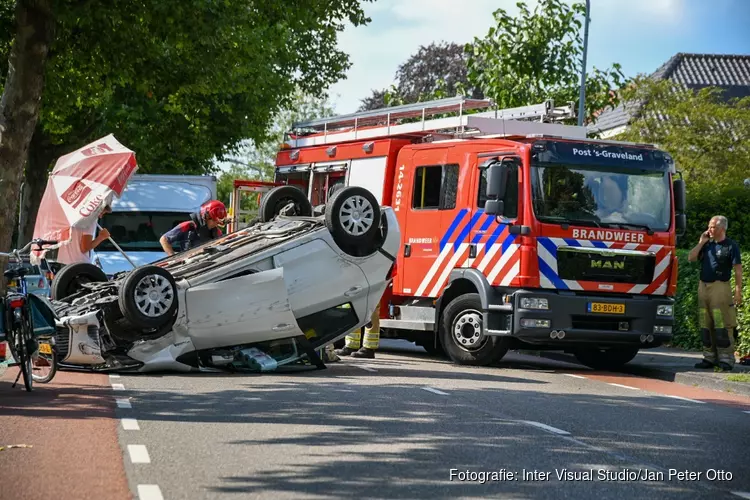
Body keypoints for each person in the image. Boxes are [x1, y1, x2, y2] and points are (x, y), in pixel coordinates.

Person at [688, 215, 743, 371]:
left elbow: (738, 270)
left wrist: (738, 290)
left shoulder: (731, 246)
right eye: (709, 226)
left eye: (713, 227)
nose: (710, 229)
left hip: (720, 287)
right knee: (705, 322)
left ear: (722, 228)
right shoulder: (706, 245)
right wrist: (701, 242)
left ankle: (726, 358)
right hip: (703, 286)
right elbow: (691, 257)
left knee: (721, 322)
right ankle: (709, 357)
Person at [160, 200, 227, 256]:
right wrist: (173, 258)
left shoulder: (217, 232)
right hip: (188, 266)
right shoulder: (188, 226)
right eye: (214, 220)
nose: (216, 223)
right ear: (206, 216)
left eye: (217, 220)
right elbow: (164, 239)